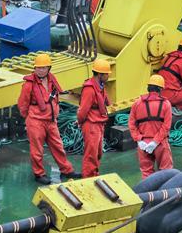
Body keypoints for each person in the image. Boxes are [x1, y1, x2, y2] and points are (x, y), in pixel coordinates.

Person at [17, 53, 80, 184]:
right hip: (36, 121)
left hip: (51, 121)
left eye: (43, 67)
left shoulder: (51, 80)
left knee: (58, 146)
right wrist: (29, 119)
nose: (40, 70)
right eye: (38, 68)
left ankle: (66, 170)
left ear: (48, 68)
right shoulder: (28, 85)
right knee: (37, 150)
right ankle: (39, 174)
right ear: (34, 69)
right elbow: (22, 104)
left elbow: (55, 97)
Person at [128, 75, 173, 179]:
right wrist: (155, 142)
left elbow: (131, 124)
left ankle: (149, 195)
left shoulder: (137, 103)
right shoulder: (166, 104)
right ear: (160, 89)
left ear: (148, 87)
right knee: (166, 173)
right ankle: (166, 195)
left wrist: (139, 140)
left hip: (143, 144)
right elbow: (166, 127)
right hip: (160, 143)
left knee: (146, 174)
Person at [77, 58, 111, 178]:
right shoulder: (90, 89)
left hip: (98, 124)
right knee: (91, 154)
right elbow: (83, 110)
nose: (108, 76)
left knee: (97, 153)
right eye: (106, 74)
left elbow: (107, 102)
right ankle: (88, 178)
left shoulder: (100, 86)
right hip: (91, 124)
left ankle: (94, 174)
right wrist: (80, 122)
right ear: (100, 74)